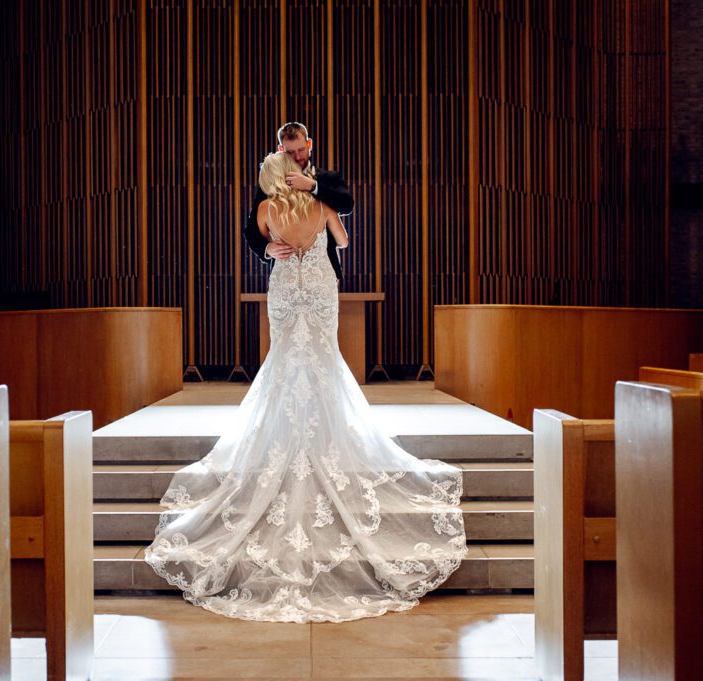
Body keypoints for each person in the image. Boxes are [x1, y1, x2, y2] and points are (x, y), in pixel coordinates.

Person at [144, 150, 467, 624]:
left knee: (282, 364)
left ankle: (280, 439)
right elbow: (344, 239)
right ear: (294, 171)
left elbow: (258, 239)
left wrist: (273, 247)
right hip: (318, 289)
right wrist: (320, 239)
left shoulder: (263, 209)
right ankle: (327, 437)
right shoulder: (321, 206)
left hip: (284, 289)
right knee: (323, 363)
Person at [243, 122, 353, 281]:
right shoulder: (270, 185)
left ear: (309, 144)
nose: (297, 157)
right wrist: (266, 248)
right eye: (290, 152)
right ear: (281, 150)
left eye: (301, 149)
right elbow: (251, 229)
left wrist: (313, 186)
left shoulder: (329, 179)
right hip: (285, 274)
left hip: (324, 272)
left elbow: (347, 205)